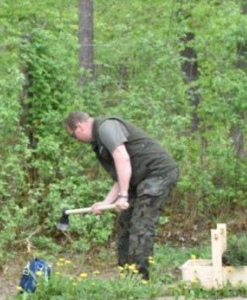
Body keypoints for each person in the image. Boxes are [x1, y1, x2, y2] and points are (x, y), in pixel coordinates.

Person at [65, 111, 179, 280]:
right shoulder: (99, 142)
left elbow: (122, 158)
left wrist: (123, 196)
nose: (76, 140)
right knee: (125, 222)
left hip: (157, 173)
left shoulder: (106, 128)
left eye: (73, 136)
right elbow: (122, 175)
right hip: (139, 178)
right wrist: (105, 203)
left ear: (79, 127)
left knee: (141, 224)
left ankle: (140, 280)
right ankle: (126, 277)